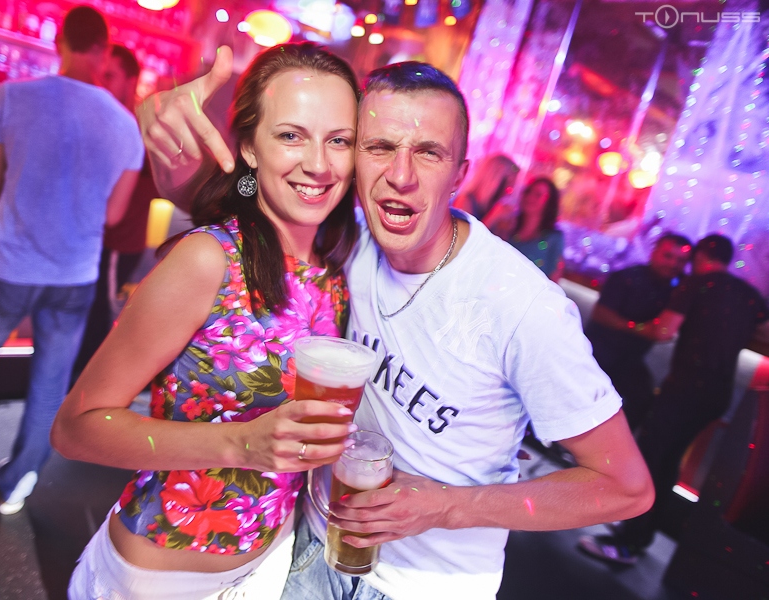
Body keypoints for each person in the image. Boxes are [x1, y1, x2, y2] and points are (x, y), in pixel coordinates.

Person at [139, 49, 654, 600]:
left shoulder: (523, 306)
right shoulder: (347, 238)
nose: (401, 176)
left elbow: (625, 489)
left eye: (428, 152)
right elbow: (225, 201)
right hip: (307, 549)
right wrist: (158, 128)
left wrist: (450, 506)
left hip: (426, 586)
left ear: (459, 174)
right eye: (379, 147)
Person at [51, 42, 363, 600]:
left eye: (338, 140)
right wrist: (241, 444)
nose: (319, 163)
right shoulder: (209, 259)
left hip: (271, 566)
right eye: (291, 135)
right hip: (159, 580)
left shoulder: (334, 270)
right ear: (248, 147)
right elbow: (76, 429)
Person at [0, 6, 142, 516]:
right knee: (51, 383)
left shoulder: (11, 97)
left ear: (60, 43)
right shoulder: (126, 125)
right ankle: (17, 483)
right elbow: (113, 214)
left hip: (8, 266)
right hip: (75, 274)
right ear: (104, 51)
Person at [580, 234, 769, 565]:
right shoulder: (749, 295)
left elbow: (664, 331)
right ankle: (638, 533)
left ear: (699, 258)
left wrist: (638, 325)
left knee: (652, 460)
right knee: (667, 462)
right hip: (718, 395)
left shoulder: (696, 285)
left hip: (685, 389)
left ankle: (628, 542)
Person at [71, 44, 158, 383]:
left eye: (110, 76)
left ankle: (87, 396)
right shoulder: (105, 119)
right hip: (95, 239)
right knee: (82, 321)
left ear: (131, 80)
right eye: (101, 74)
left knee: (97, 327)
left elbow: (161, 184)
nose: (102, 81)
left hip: (117, 242)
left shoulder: (141, 127)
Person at [584, 232, 692, 431]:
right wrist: (640, 329)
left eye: (681, 260)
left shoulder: (678, 288)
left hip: (629, 360)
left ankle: (610, 446)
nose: (673, 264)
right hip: (597, 353)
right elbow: (601, 314)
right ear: (654, 253)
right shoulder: (627, 277)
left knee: (642, 401)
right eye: (668, 256)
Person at [504, 177, 564, 281]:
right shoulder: (507, 226)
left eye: (538, 195)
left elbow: (553, 281)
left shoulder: (554, 238)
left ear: (549, 203)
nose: (530, 197)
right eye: (528, 191)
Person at [450, 153, 518, 225]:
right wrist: (493, 217)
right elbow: (462, 231)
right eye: (508, 183)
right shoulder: (465, 201)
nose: (510, 190)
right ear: (495, 181)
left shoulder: (489, 206)